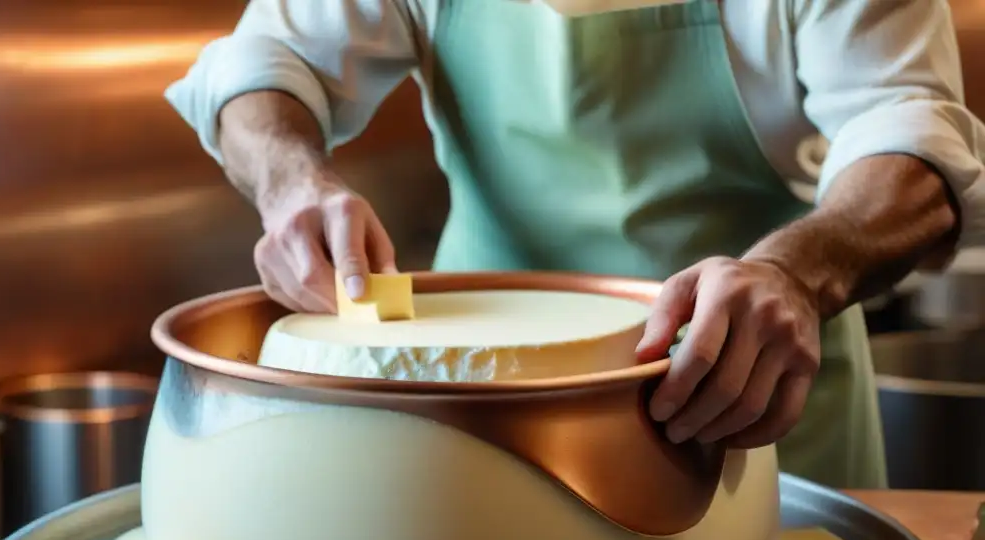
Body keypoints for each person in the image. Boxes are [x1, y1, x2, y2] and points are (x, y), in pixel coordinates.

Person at [165, 0, 985, 489]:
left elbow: (912, 135)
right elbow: (263, 61)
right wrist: (292, 183)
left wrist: (796, 274)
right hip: (479, 422)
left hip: (756, 406)